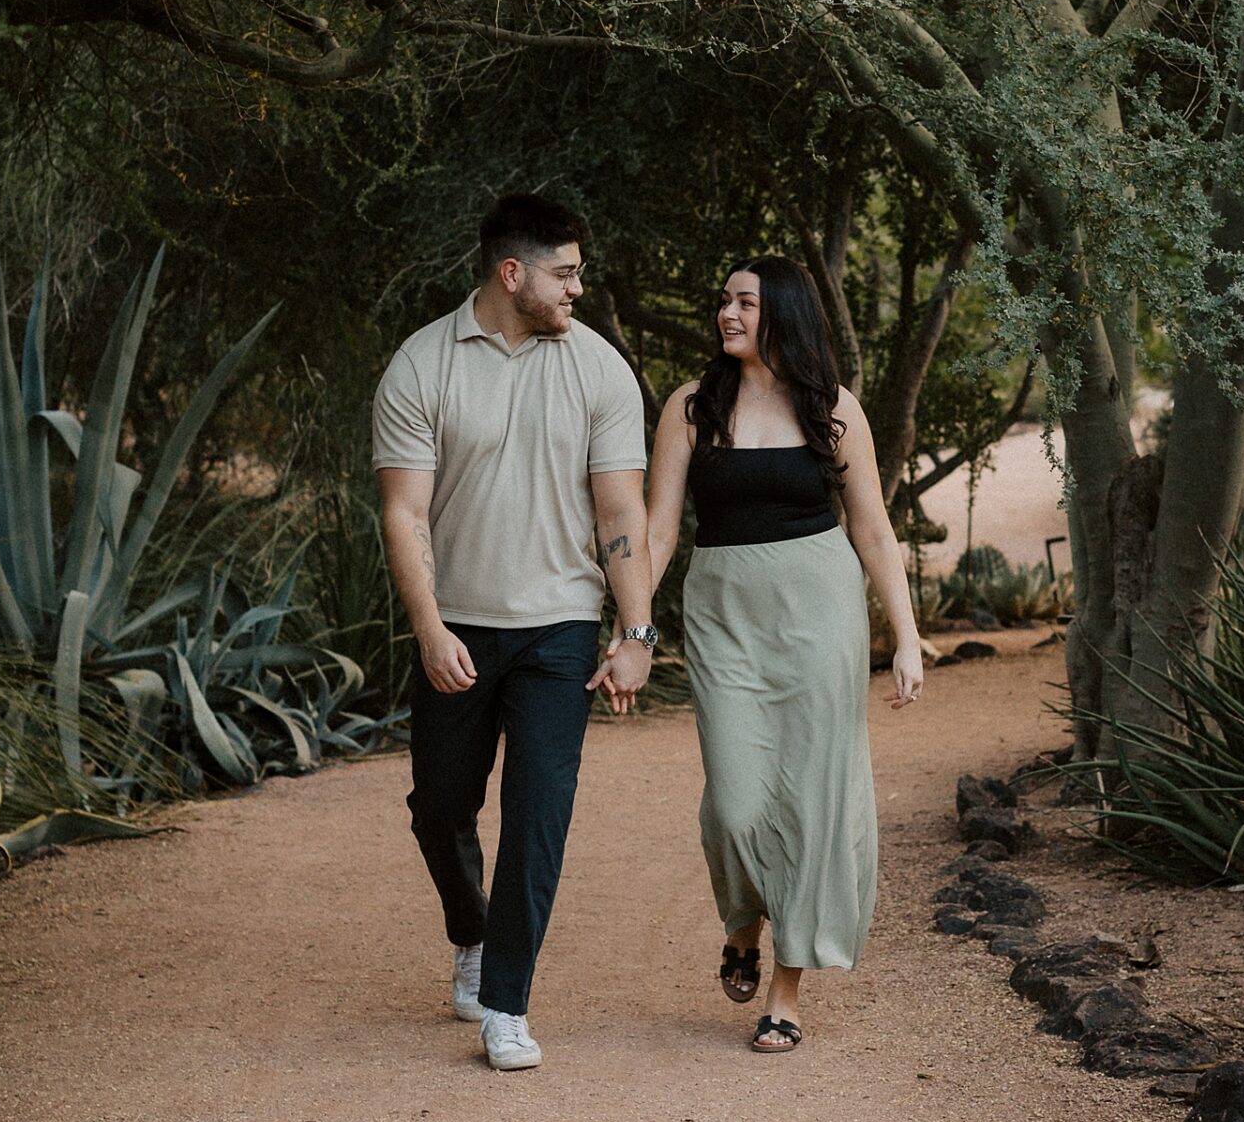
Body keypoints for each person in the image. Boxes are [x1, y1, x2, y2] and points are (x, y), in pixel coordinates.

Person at [373, 193, 654, 1073]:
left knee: (539, 814)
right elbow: (403, 510)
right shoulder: (422, 366)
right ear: (512, 274)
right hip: (456, 623)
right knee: (441, 807)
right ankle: (471, 931)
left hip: (560, 629)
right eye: (564, 273)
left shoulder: (600, 370)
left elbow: (621, 511)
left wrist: (634, 629)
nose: (579, 286)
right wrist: (428, 628)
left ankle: (508, 1003)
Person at [645, 254, 924, 1053]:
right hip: (724, 611)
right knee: (735, 801)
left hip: (819, 611)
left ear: (786, 316)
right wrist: (632, 627)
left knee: (810, 798)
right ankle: (742, 921)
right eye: (723, 300)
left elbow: (872, 527)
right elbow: (661, 528)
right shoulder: (692, 409)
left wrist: (904, 636)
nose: (727, 315)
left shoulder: (834, 410)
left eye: (745, 303)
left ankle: (786, 989)